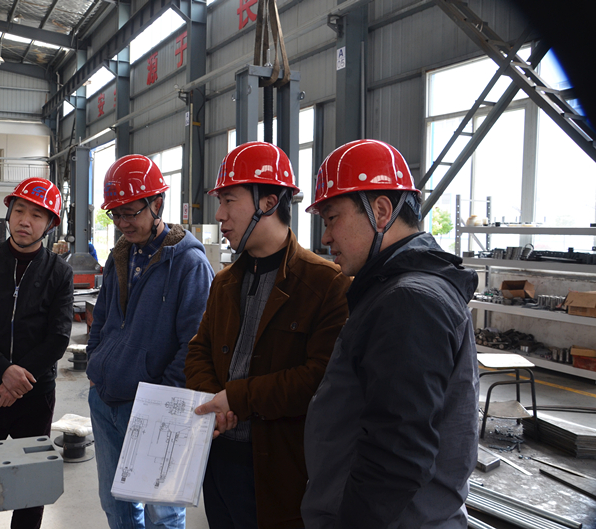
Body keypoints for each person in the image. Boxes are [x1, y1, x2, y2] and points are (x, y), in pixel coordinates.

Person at [300, 139, 479, 528]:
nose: (326, 237)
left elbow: (397, 454)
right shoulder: (395, 291)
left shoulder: (410, 301)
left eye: (332, 218)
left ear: (381, 211)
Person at [185, 141, 351, 529]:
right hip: (218, 459)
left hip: (278, 471)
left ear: (269, 202)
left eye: (229, 200)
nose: (220, 215)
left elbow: (319, 379)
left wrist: (238, 398)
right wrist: (214, 402)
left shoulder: (326, 284)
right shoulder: (225, 282)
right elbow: (199, 350)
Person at [87, 154, 215, 529]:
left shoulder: (189, 264)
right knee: (117, 506)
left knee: (163, 512)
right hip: (106, 400)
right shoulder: (120, 256)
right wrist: (96, 365)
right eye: (116, 215)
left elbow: (195, 342)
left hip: (156, 407)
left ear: (157, 203)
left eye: (131, 213)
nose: (123, 223)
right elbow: (102, 318)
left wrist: (162, 399)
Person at [0, 177, 74, 529]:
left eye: (37, 215)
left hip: (35, 395)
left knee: (32, 484)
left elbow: (58, 337)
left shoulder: (59, 273)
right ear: (8, 213)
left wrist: (17, 381)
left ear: (50, 224)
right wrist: (3, 373)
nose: (25, 221)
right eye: (20, 211)